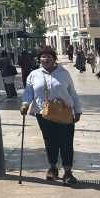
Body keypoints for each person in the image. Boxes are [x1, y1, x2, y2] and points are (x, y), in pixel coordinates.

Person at [21, 45, 82, 185]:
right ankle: (53, 168)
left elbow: (72, 92)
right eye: (43, 56)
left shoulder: (64, 73)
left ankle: (68, 171)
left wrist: (77, 110)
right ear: (39, 59)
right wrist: (25, 104)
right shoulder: (34, 74)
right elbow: (29, 92)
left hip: (64, 112)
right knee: (50, 141)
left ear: (54, 59)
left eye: (49, 56)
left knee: (66, 142)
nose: (46, 59)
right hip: (43, 114)